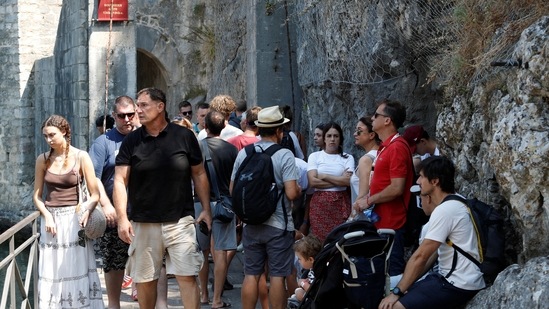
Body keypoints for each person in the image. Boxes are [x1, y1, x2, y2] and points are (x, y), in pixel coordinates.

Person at [113, 87, 211, 309]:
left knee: (187, 275)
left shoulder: (184, 136)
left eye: (143, 105)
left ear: (161, 106)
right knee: (145, 280)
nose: (138, 110)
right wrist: (122, 218)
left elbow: (199, 173)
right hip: (143, 222)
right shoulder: (132, 141)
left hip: (180, 220)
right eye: (137, 104)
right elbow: (120, 180)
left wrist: (206, 209)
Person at [378, 156, 485, 309]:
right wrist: (407, 285)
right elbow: (431, 257)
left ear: (435, 181)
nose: (418, 181)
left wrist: (396, 292)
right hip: (455, 279)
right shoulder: (457, 201)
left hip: (457, 283)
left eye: (421, 176)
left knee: (394, 307)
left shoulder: (445, 210)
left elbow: (421, 256)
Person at [230, 105, 301, 309]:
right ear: (279, 130)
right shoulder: (284, 154)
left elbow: (233, 188)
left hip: (251, 223)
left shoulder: (245, 153)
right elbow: (290, 193)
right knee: (278, 276)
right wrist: (297, 189)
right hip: (278, 224)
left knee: (251, 274)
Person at [33, 114, 104, 308]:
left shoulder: (81, 157)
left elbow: (95, 194)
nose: (49, 140)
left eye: (52, 135)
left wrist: (88, 210)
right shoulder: (43, 159)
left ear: (64, 131)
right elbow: (37, 196)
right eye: (45, 136)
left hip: (75, 219)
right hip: (51, 222)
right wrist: (46, 215)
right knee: (52, 269)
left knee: (74, 265)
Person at [355, 99, 414, 277]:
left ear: (387, 120)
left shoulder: (397, 147)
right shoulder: (386, 146)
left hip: (392, 222)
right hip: (382, 221)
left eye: (376, 115)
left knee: (393, 271)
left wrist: (369, 200)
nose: (372, 118)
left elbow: (397, 188)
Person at [200, 110, 239, 309]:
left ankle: (204, 295)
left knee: (202, 250)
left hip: (200, 204)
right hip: (224, 205)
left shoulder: (197, 148)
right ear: (224, 126)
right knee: (221, 251)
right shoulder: (232, 150)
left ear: (204, 126)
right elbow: (236, 181)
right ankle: (217, 300)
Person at [307, 122, 354, 242]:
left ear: (340, 139)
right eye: (329, 136)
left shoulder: (348, 158)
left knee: (340, 239)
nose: (332, 139)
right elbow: (313, 182)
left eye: (336, 136)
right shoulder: (315, 156)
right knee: (318, 241)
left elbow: (348, 181)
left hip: (340, 203)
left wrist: (324, 176)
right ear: (324, 138)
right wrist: (339, 180)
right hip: (320, 204)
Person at [350, 116, 380, 217]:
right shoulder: (382, 154)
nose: (355, 134)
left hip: (365, 216)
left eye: (359, 131)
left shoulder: (366, 160)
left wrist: (351, 219)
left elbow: (362, 195)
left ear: (371, 135)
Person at [289, 234, 322, 303]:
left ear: (310, 260)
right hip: (311, 295)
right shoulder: (314, 269)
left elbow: (313, 290)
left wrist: (303, 283)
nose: (298, 261)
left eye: (299, 259)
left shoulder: (317, 271)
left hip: (313, 298)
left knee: (297, 293)